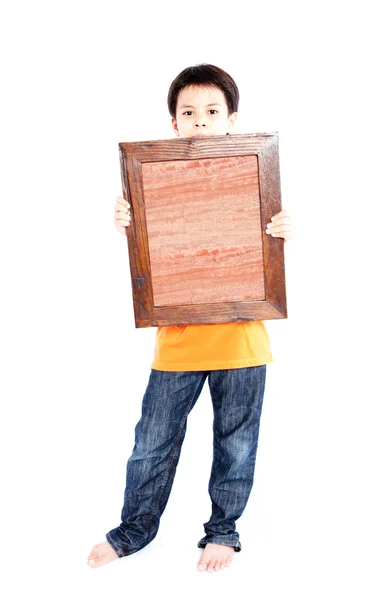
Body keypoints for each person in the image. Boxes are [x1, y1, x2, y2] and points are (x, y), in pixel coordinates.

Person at [87, 64, 293, 573]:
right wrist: (131, 226)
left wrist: (282, 229)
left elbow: (259, 253)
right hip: (177, 344)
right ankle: (134, 529)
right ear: (173, 123)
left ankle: (223, 531)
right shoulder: (152, 181)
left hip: (243, 343)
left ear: (232, 120)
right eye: (188, 112)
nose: (200, 121)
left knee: (236, 445)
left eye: (211, 111)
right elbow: (162, 256)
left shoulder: (252, 177)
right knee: (151, 445)